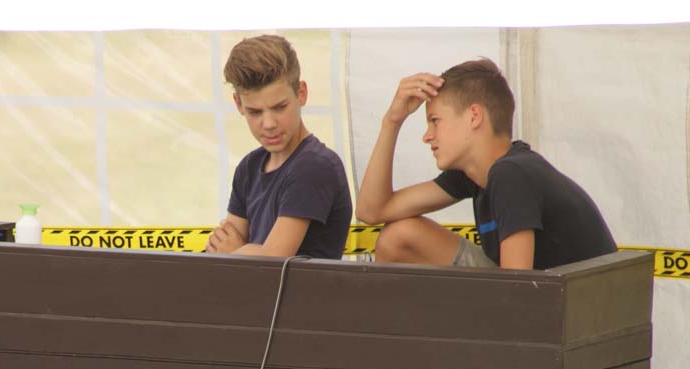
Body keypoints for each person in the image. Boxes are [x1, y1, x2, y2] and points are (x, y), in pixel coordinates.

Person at [354, 58, 616, 269]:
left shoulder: (510, 174)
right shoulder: (476, 173)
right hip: (544, 300)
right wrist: (392, 121)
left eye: (435, 121)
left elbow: (517, 290)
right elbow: (371, 211)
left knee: (399, 237)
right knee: (397, 236)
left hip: (573, 313)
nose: (427, 136)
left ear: (474, 116)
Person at [205, 35, 352, 259]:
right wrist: (236, 252)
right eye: (255, 112)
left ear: (301, 93)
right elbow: (220, 250)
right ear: (238, 104)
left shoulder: (315, 166)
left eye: (280, 107)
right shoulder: (248, 167)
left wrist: (235, 251)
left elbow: (273, 259)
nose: (269, 124)